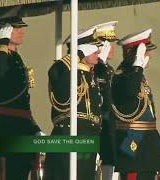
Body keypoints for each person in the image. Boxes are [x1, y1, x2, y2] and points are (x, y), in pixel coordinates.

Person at [0, 10, 43, 180]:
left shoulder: (15, 58)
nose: (22, 31)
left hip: (20, 129)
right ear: (4, 30)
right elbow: (1, 81)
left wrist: (33, 127)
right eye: (16, 27)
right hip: (0, 128)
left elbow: (22, 102)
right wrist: (2, 44)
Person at [44, 27, 102, 180]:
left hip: (88, 136)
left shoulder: (89, 74)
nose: (99, 53)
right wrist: (73, 58)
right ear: (82, 51)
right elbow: (61, 89)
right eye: (94, 50)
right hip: (69, 134)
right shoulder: (63, 69)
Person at [111, 29, 160, 180]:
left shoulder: (137, 76)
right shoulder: (121, 76)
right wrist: (137, 66)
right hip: (133, 146)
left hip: (147, 148)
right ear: (132, 52)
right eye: (144, 52)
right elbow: (129, 91)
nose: (149, 56)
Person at [93, 21, 118, 180]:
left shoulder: (109, 69)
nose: (112, 47)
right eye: (108, 43)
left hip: (109, 125)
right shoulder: (95, 68)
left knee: (109, 163)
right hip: (98, 124)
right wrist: (100, 63)